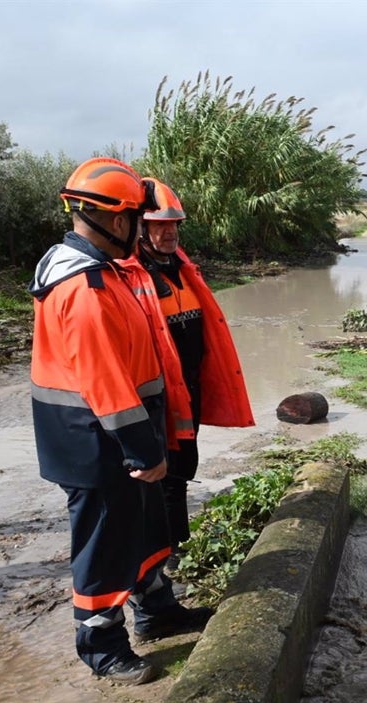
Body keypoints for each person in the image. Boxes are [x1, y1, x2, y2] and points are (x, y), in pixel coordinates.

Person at [29, 157, 213, 685]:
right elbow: (107, 382)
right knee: (105, 544)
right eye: (138, 217)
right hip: (98, 442)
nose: (143, 228)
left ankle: (157, 611)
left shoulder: (109, 273)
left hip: (120, 437)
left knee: (146, 530)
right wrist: (145, 450)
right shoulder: (85, 288)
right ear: (116, 221)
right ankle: (102, 646)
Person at [119, 179, 254, 564]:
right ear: (139, 228)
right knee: (165, 479)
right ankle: (172, 554)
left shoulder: (182, 268)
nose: (170, 232)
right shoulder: (128, 276)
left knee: (182, 471)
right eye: (160, 225)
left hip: (187, 391)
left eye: (175, 224)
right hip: (154, 397)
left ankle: (177, 547)